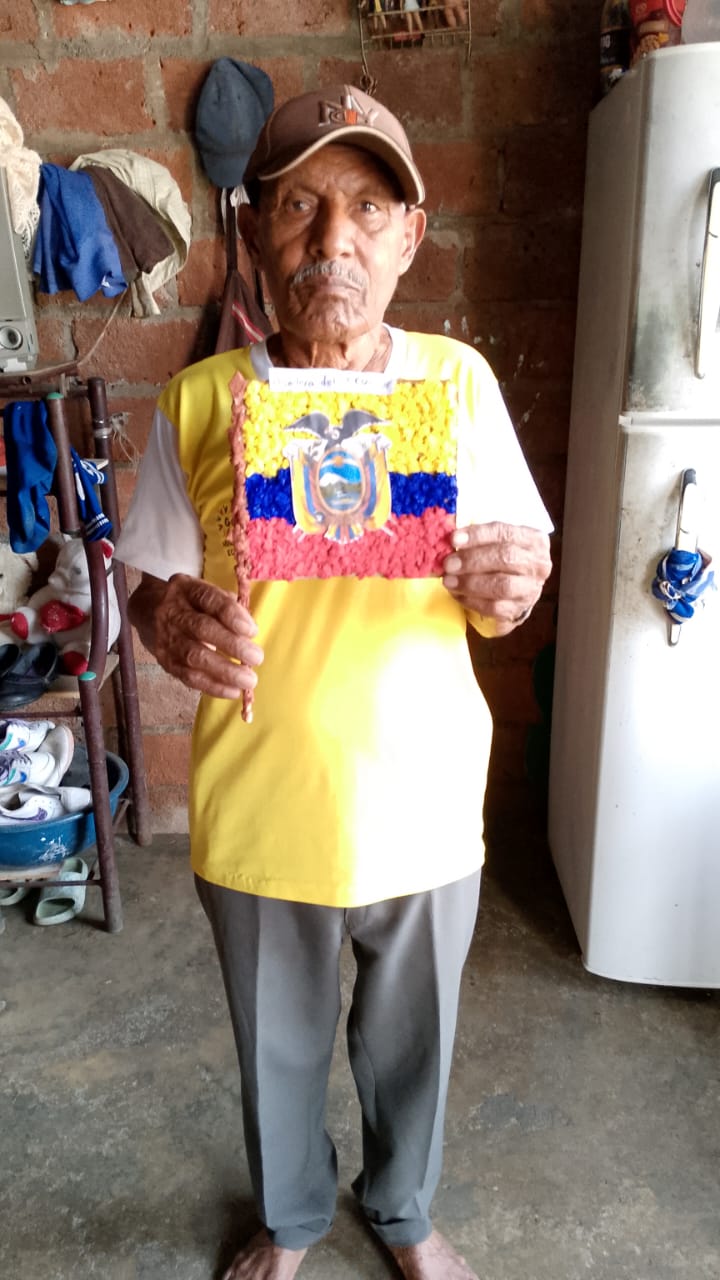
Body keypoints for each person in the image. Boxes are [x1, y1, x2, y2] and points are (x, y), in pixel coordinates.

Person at [115, 84, 553, 1280]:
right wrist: (162, 618)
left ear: (410, 235)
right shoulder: (201, 401)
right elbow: (146, 585)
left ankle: (404, 1209)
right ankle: (294, 1215)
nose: (333, 239)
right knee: (279, 1045)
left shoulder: (456, 384)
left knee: (417, 1041)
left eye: (366, 207)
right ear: (253, 230)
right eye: (300, 205)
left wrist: (515, 585)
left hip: (425, 803)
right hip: (263, 807)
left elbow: (515, 570)